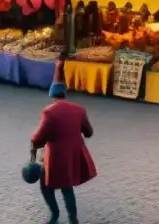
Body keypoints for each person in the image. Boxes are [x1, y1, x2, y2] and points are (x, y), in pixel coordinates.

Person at [30, 68, 96, 224]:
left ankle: (55, 215)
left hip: (55, 157)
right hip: (72, 155)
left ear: (52, 95)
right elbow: (89, 132)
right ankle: (73, 218)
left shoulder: (49, 112)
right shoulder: (79, 110)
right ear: (64, 94)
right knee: (67, 188)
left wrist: (34, 143)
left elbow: (38, 137)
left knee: (46, 187)